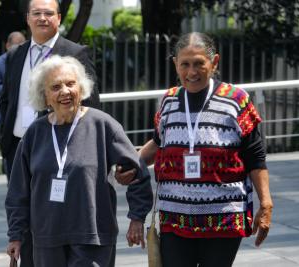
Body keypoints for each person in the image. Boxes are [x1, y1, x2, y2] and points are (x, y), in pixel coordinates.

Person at [116, 32, 273, 267]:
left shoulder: (236, 100)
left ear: (215, 62)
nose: (192, 72)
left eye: (199, 63)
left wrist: (266, 203)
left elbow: (255, 156)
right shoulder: (169, 100)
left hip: (223, 218)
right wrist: (131, 163)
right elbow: (159, 143)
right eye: (185, 64)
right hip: (174, 218)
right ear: (175, 64)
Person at [5, 55, 152, 267]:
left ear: (81, 89)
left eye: (70, 84)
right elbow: (18, 190)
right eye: (55, 87)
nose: (64, 91)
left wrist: (137, 217)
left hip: (92, 237)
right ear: (45, 97)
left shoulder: (102, 125)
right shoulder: (35, 133)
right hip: (47, 239)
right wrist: (16, 234)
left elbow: (137, 171)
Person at [0, 1, 100, 265]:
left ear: (58, 18)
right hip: (20, 145)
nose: (42, 18)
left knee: (54, 215)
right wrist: (6, 141)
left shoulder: (75, 52)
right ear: (27, 18)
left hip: (59, 146)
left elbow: (91, 102)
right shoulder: (16, 54)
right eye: (36, 13)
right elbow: (7, 100)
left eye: (48, 13)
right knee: (23, 210)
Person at [0, 31, 26, 128]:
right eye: (17, 46)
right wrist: (15, 87)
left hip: (28, 116)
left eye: (23, 46)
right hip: (7, 116)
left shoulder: (30, 61)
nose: (20, 49)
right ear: (8, 46)